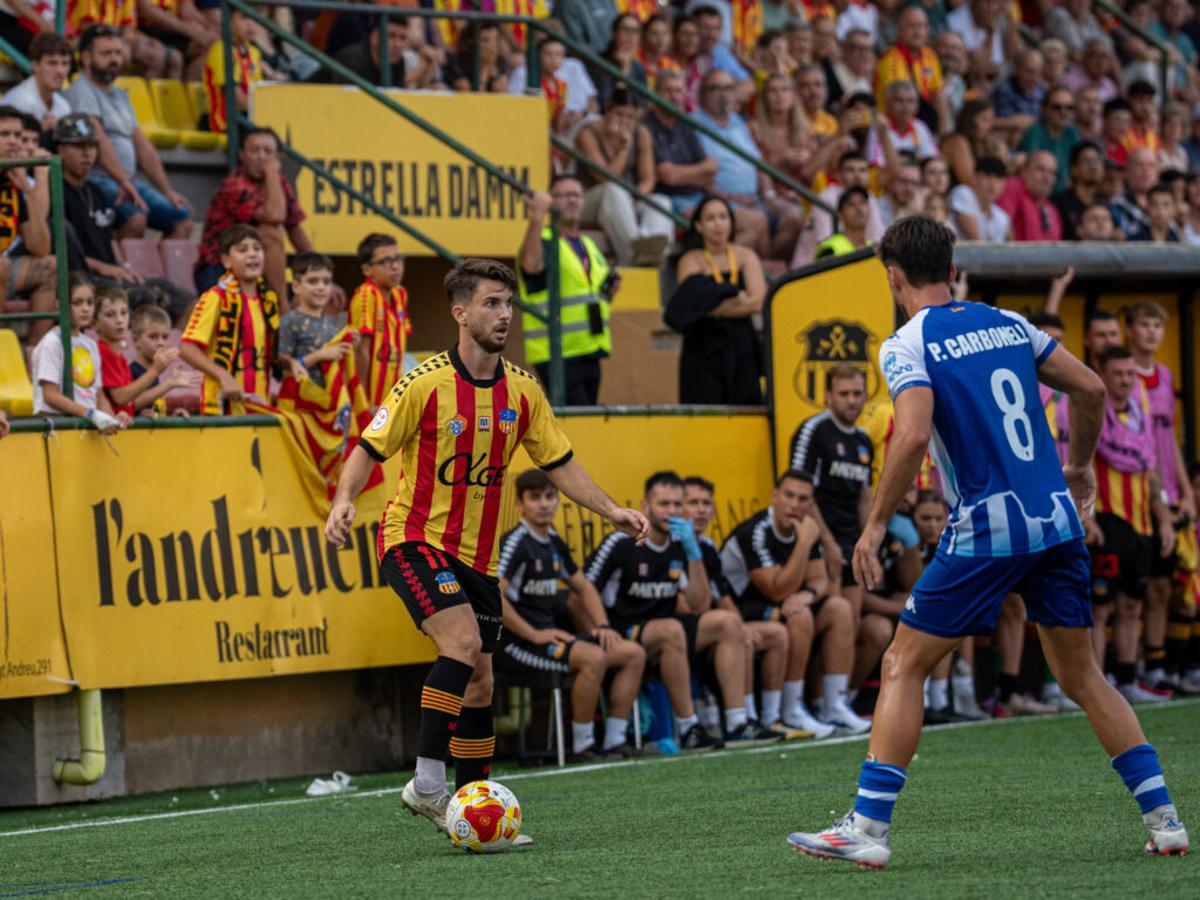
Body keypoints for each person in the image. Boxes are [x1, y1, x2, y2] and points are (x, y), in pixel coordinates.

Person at [787, 215, 1189, 868]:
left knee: (902, 664)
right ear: (952, 270)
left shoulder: (907, 343)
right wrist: (1081, 465)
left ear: (893, 277)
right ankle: (1165, 819)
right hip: (1057, 521)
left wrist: (871, 525)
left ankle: (868, 826)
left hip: (988, 526)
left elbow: (913, 435)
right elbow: (1090, 388)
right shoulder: (1010, 324)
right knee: (1083, 674)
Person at [324, 257, 649, 841]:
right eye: (492, 303)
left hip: (479, 558)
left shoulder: (522, 390)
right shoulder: (423, 383)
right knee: (463, 642)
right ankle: (427, 785)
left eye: (509, 304)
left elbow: (560, 464)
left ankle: (472, 808)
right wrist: (343, 499)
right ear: (461, 312)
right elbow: (368, 447)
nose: (505, 315)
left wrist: (613, 511)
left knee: (480, 683)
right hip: (414, 539)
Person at [585, 470, 772, 748]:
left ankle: (737, 722)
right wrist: (600, 626)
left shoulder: (683, 542)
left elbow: (698, 605)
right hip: (625, 629)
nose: (670, 511)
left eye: (676, 504)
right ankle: (689, 728)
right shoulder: (621, 542)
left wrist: (693, 552)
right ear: (646, 506)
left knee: (728, 623)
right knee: (671, 629)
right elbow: (584, 589)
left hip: (669, 631)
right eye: (663, 504)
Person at [496, 468, 646, 761]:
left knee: (632, 653)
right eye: (535, 497)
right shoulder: (516, 543)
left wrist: (602, 625)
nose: (544, 504)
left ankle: (615, 740)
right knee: (593, 657)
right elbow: (494, 597)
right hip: (516, 644)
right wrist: (534, 633)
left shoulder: (552, 541)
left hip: (551, 638)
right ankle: (581, 746)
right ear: (520, 504)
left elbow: (583, 586)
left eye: (550, 496)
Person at [721, 469, 870, 735]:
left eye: (803, 499)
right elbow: (776, 590)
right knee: (799, 616)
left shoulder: (804, 528)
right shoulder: (756, 532)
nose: (795, 504)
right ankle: (787, 710)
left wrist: (808, 594)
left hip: (779, 604)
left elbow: (820, 580)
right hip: (739, 609)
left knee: (839, 608)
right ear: (774, 496)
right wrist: (803, 543)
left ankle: (834, 705)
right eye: (789, 495)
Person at [1090, 345, 1176, 705]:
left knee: (1131, 606)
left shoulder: (1139, 418)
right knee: (1100, 608)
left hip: (1140, 524)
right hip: (1108, 523)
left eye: (1130, 374)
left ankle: (1127, 680)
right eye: (1118, 374)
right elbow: (1078, 467)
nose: (1125, 380)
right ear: (1103, 375)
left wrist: (1162, 517)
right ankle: (1094, 685)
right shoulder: (1090, 414)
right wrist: (1088, 516)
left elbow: (1151, 470)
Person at [684, 474, 795, 736]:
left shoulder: (708, 546)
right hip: (683, 631)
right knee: (730, 626)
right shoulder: (672, 545)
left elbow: (723, 598)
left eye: (706, 503)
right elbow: (692, 608)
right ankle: (737, 721)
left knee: (773, 633)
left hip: (709, 629)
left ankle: (765, 717)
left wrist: (742, 628)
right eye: (693, 503)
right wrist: (736, 627)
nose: (701, 510)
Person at [1125, 302, 1196, 696]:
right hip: (1139, 497)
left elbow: (1169, 439)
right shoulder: (1122, 378)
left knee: (1167, 586)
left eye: (1157, 325)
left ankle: (1161, 666)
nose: (1152, 332)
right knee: (1140, 587)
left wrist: (1185, 492)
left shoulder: (1165, 377)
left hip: (1169, 493)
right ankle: (1137, 666)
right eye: (1144, 324)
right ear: (1129, 330)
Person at [64, 25, 193, 241]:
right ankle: (122, 273)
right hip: (96, 179)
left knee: (182, 218)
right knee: (135, 218)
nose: (114, 59)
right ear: (86, 57)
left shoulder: (119, 94)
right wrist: (123, 181)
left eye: (117, 52)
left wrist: (167, 190)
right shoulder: (81, 90)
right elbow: (99, 141)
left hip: (126, 181)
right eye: (106, 53)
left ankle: (161, 274)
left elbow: (143, 145)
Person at [517, 178, 616, 407]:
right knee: (576, 425)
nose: (572, 200)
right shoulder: (543, 240)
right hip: (558, 351)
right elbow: (531, 267)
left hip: (590, 348)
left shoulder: (587, 244)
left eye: (577, 195)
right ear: (551, 202)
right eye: (564, 195)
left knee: (588, 423)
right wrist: (537, 218)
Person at [666, 195, 765, 405]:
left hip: (741, 344)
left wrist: (712, 305)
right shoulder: (690, 259)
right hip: (703, 346)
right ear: (699, 226)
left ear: (731, 222)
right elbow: (692, 306)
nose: (718, 223)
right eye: (710, 218)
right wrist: (739, 299)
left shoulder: (746, 256)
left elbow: (757, 302)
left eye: (723, 217)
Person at [194, 126, 313, 300]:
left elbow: (295, 229)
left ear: (278, 157)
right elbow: (274, 216)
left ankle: (280, 305)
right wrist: (272, 173)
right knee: (270, 233)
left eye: (268, 151)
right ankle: (280, 307)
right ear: (242, 155)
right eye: (255, 151)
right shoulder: (234, 184)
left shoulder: (280, 184)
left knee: (321, 292)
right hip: (219, 266)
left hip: (255, 268)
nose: (262, 157)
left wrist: (320, 270)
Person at [692, 68, 796, 259]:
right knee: (757, 222)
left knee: (796, 217)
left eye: (728, 88)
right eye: (715, 89)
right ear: (702, 94)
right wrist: (730, 198)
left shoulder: (738, 122)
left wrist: (770, 195)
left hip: (754, 199)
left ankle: (766, 267)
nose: (722, 94)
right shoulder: (693, 125)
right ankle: (758, 271)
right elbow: (697, 177)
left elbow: (757, 162)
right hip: (720, 202)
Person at [179, 224, 281, 415]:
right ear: (226, 261)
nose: (252, 254)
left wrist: (290, 362)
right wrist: (223, 376)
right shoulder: (215, 298)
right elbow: (186, 348)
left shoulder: (268, 301)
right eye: (242, 250)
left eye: (257, 249)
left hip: (260, 406)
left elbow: (261, 351)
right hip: (221, 409)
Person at [575, 89, 674, 267]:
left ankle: (650, 253)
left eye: (630, 117)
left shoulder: (641, 133)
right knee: (613, 191)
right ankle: (633, 257)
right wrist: (624, 148)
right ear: (607, 110)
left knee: (661, 201)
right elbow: (604, 177)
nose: (625, 121)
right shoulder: (588, 133)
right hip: (588, 199)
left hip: (624, 200)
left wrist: (634, 196)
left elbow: (648, 179)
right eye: (619, 114)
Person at [30, 273, 127, 434]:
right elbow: (50, 395)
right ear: (60, 304)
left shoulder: (90, 344)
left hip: (86, 427)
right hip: (58, 427)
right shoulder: (52, 342)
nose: (86, 308)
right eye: (78, 302)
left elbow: (99, 395)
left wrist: (111, 418)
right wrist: (90, 414)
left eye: (90, 302)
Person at [0, 104, 55, 344]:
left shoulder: (14, 180)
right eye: (4, 135)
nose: (13, 142)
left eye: (18, 136)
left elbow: (40, 246)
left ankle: (35, 355)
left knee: (50, 266)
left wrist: (26, 186)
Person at [349, 233, 411, 412]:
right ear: (367, 269)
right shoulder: (365, 295)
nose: (395, 266)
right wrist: (362, 403)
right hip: (371, 403)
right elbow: (360, 350)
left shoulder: (400, 294)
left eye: (398, 259)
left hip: (392, 399)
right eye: (385, 261)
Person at [277, 252, 352, 388]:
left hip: (329, 403)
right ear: (296, 286)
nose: (321, 287)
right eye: (313, 281)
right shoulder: (290, 321)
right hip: (299, 403)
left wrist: (351, 346)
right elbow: (282, 370)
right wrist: (319, 356)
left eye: (326, 281)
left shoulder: (331, 322)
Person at [873, 5, 944, 134]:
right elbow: (901, 104)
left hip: (920, 124)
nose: (917, 32)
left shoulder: (930, 56)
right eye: (912, 26)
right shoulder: (890, 59)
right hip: (891, 127)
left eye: (921, 26)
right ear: (899, 30)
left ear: (927, 30)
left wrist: (943, 133)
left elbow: (937, 96)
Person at [128, 303, 198, 416]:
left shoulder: (157, 371)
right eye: (153, 337)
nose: (161, 343)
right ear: (136, 340)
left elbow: (155, 407)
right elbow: (130, 404)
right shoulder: (131, 371)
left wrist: (171, 417)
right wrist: (168, 384)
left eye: (165, 337)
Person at [202, 6, 263, 135]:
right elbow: (237, 99)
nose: (251, 24)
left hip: (247, 117)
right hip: (224, 122)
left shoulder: (254, 53)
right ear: (228, 21)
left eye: (254, 18)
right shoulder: (220, 51)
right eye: (244, 18)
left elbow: (258, 91)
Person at [1, 32, 73, 132]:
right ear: (35, 65)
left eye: (65, 63)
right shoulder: (21, 101)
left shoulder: (63, 105)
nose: (60, 71)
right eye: (52, 63)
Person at [1016, 87, 1080, 195]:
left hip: (1066, 195)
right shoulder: (1034, 133)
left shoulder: (1071, 131)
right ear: (1044, 108)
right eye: (1057, 107)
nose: (1063, 113)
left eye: (1069, 108)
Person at [137, 0, 216, 82]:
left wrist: (210, 30)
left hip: (174, 30)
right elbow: (147, 11)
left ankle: (186, 91)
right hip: (149, 28)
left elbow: (188, 11)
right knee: (195, 46)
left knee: (209, 44)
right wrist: (191, 32)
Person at [996, 150, 1062, 241]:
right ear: (1024, 171)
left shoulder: (1052, 209)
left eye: (1052, 173)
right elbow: (1002, 228)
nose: (1047, 177)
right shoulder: (1012, 187)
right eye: (1041, 169)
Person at [1051, 140, 1106, 241]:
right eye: (1086, 161)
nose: (1093, 166)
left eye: (1097, 160)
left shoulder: (1106, 203)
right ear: (1074, 169)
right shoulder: (1059, 203)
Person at [328, 17, 407, 87]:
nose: (398, 45)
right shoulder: (352, 60)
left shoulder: (399, 62)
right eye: (391, 36)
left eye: (403, 38)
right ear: (374, 37)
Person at [948, 155, 1011, 241]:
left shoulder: (1002, 217)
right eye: (987, 176)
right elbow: (976, 242)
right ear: (975, 177)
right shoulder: (963, 193)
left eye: (998, 178)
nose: (993, 184)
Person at [991, 48, 1045, 139]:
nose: (1033, 78)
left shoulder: (1042, 90)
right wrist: (1014, 122)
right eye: (1029, 72)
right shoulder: (1003, 89)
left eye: (1037, 73)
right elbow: (996, 122)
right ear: (1016, 69)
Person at [881, 81, 938, 160]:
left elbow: (930, 159)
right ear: (888, 104)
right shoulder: (879, 127)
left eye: (910, 101)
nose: (905, 106)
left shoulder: (920, 127)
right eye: (899, 100)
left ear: (917, 106)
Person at [815, 186, 872, 257]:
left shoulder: (874, 247)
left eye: (862, 202)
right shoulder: (830, 249)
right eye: (851, 205)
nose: (858, 208)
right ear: (840, 215)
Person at [875, 158, 922, 228]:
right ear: (890, 182)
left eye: (914, 183)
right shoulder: (873, 209)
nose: (908, 188)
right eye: (903, 181)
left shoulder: (909, 216)